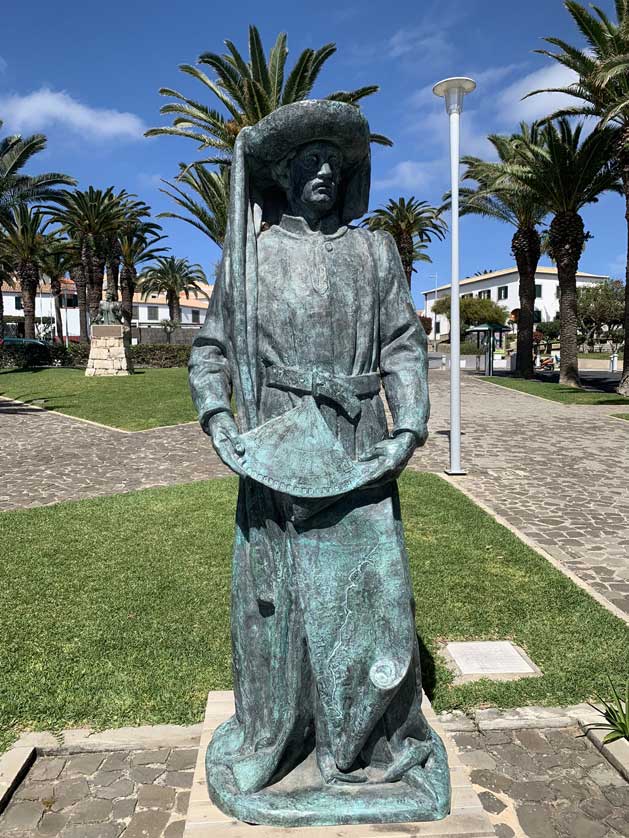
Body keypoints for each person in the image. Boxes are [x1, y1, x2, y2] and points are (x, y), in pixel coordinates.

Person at [188, 99, 449, 826]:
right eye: (309, 158)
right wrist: (219, 421)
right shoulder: (253, 255)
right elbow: (211, 351)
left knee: (374, 605)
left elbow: (402, 344)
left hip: (361, 442)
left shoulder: (374, 252)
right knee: (284, 605)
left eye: (336, 159)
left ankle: (363, 745)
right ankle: (289, 734)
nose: (325, 169)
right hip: (278, 445)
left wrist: (409, 428)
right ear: (282, 173)